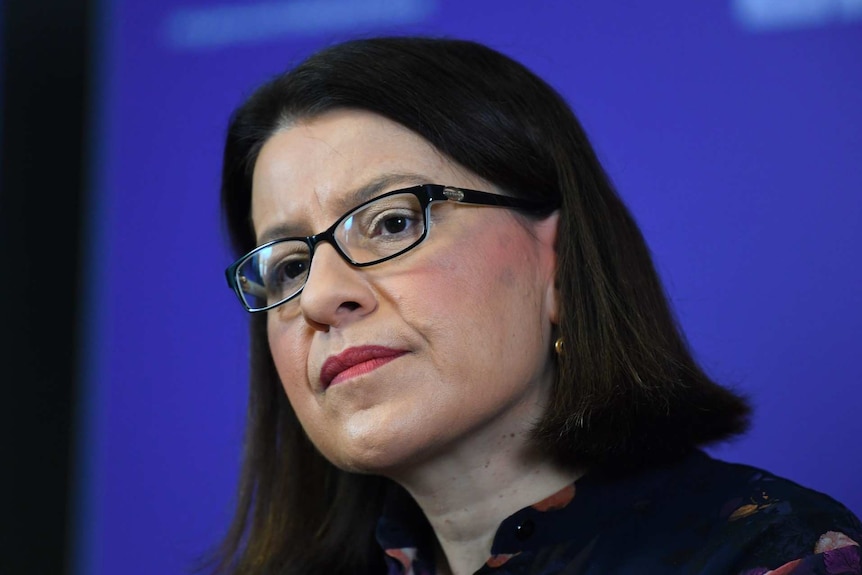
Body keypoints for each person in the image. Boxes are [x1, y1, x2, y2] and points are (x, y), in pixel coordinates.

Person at [215, 37, 861, 575]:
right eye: (291, 265)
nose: (323, 296)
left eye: (388, 222)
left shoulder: (774, 554)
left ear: (557, 260)